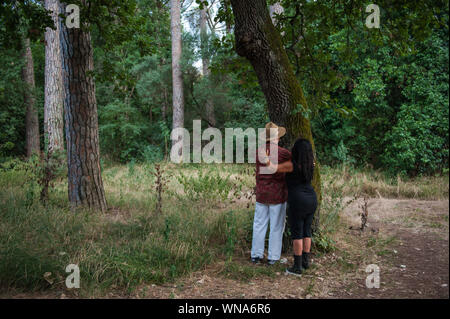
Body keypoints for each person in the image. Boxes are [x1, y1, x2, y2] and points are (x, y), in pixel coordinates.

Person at [266, 138, 317, 276]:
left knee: (297, 233)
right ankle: (305, 261)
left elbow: (272, 168)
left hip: (298, 200)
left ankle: (297, 267)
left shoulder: (292, 165)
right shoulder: (311, 163)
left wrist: (265, 157)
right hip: (312, 199)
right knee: (307, 231)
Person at [251, 122, 292, 265]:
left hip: (262, 193)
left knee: (259, 224)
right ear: (277, 138)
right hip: (278, 194)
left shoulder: (258, 152)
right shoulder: (284, 153)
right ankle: (273, 257)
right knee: (276, 226)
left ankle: (256, 255)